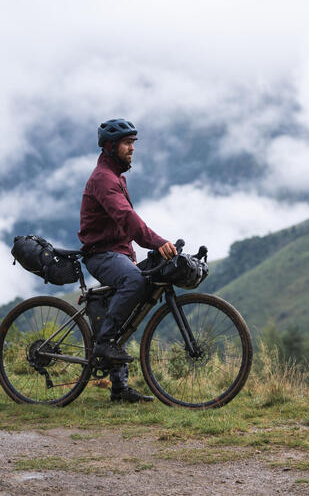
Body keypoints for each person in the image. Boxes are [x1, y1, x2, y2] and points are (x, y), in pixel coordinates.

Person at [78, 118, 177, 403]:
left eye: (133, 143)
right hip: (100, 254)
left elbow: (123, 225)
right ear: (110, 147)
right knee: (133, 281)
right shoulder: (103, 179)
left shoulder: (117, 176)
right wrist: (157, 242)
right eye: (126, 143)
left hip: (118, 253)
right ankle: (104, 343)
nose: (132, 148)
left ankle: (119, 388)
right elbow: (126, 219)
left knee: (129, 308)